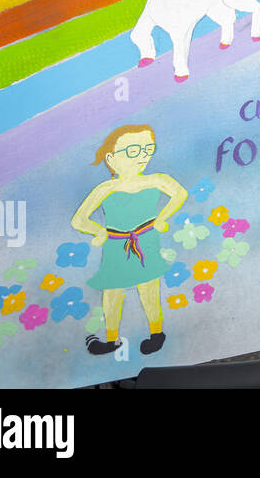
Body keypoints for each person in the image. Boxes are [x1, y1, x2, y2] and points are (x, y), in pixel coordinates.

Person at [70, 124, 187, 357]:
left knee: (149, 289)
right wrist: (99, 232)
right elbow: (79, 220)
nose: (142, 157)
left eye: (147, 150)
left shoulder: (155, 180)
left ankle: (156, 333)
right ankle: (111, 339)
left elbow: (180, 193)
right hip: (116, 244)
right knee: (113, 291)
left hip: (146, 239)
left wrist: (162, 218)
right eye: (133, 151)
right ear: (111, 159)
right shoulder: (106, 188)